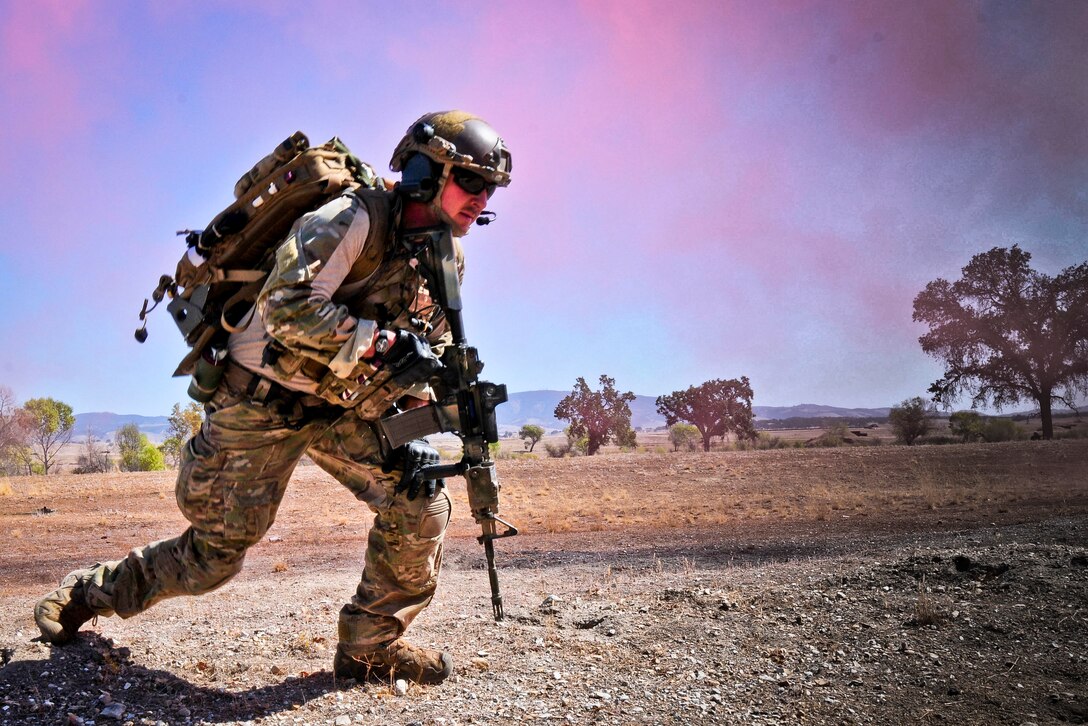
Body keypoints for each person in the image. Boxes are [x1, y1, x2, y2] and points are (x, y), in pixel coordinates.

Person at [34, 111, 513, 686]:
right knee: (213, 557)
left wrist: (427, 398)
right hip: (262, 400)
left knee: (421, 500)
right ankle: (90, 592)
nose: (481, 198)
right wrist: (381, 344)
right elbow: (285, 309)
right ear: (424, 172)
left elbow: (418, 351)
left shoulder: (446, 259)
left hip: (338, 408)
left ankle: (368, 647)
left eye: (490, 188)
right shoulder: (353, 218)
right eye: (471, 181)